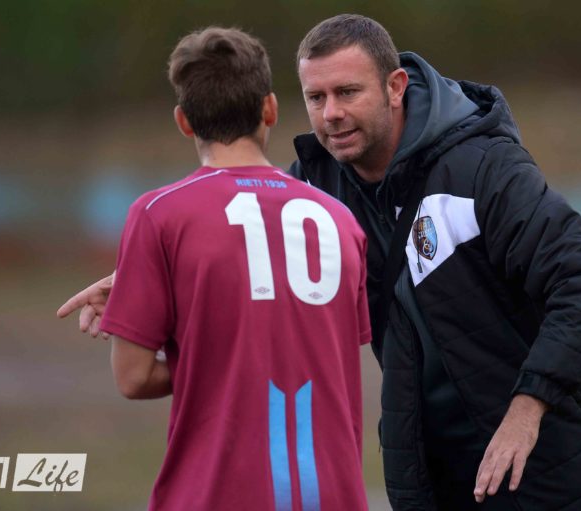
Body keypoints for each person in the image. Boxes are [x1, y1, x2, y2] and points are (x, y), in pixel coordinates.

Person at [60, 15, 581, 511]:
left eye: (347, 92)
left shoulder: (483, 168)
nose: (331, 114)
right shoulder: (317, 191)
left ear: (395, 86)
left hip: (551, 469)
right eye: (316, 98)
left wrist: (527, 408)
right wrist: (142, 279)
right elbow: (242, 232)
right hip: (434, 479)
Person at [63, 27, 372, 511]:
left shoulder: (159, 214)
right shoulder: (340, 220)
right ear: (270, 109)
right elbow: (319, 346)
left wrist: (200, 349)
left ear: (184, 121)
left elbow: (133, 377)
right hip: (330, 495)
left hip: (217, 492)